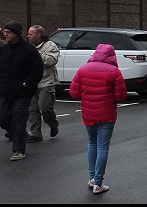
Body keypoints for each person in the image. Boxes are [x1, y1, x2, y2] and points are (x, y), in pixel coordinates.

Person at [69, 43, 126, 194]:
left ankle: (92, 178)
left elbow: (74, 93)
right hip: (107, 114)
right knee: (103, 146)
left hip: (88, 113)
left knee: (92, 143)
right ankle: (98, 183)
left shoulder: (82, 69)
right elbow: (121, 95)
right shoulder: (114, 72)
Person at [0, 20, 43, 161]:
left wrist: (26, 84)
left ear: (17, 34)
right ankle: (20, 135)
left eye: (9, 32)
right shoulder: (3, 50)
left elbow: (37, 70)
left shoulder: (29, 49)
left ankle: (18, 149)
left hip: (23, 92)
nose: (6, 34)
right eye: (5, 32)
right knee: (3, 119)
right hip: (6, 91)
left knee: (19, 118)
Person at [26, 25, 60, 143]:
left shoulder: (50, 46)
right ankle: (35, 133)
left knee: (44, 108)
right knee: (32, 109)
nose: (28, 36)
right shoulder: (27, 47)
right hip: (32, 82)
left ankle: (53, 123)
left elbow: (51, 61)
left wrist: (36, 53)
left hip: (46, 82)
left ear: (38, 35)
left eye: (30, 34)